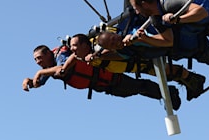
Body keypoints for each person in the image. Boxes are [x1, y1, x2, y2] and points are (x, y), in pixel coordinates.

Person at [22, 37, 181, 110]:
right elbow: (39, 81)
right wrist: (29, 80)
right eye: (35, 60)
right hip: (102, 84)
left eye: (39, 58)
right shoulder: (48, 66)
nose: (38, 62)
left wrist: (39, 72)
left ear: (49, 53)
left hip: (108, 76)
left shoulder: (61, 56)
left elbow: (61, 70)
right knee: (136, 90)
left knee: (140, 86)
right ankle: (167, 93)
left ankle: (170, 93)